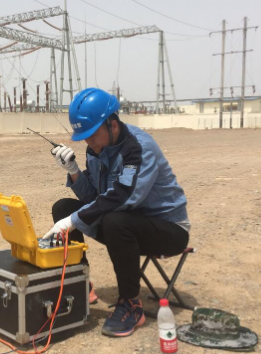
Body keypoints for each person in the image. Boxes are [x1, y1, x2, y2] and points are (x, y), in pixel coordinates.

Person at [43, 88, 190, 338]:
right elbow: (94, 198)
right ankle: (79, 285)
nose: (88, 141)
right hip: (125, 222)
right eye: (83, 136)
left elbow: (122, 198)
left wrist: (73, 222)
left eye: (91, 134)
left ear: (112, 124)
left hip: (168, 230)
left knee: (113, 220)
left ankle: (131, 305)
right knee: (63, 208)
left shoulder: (138, 148)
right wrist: (74, 171)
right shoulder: (98, 148)